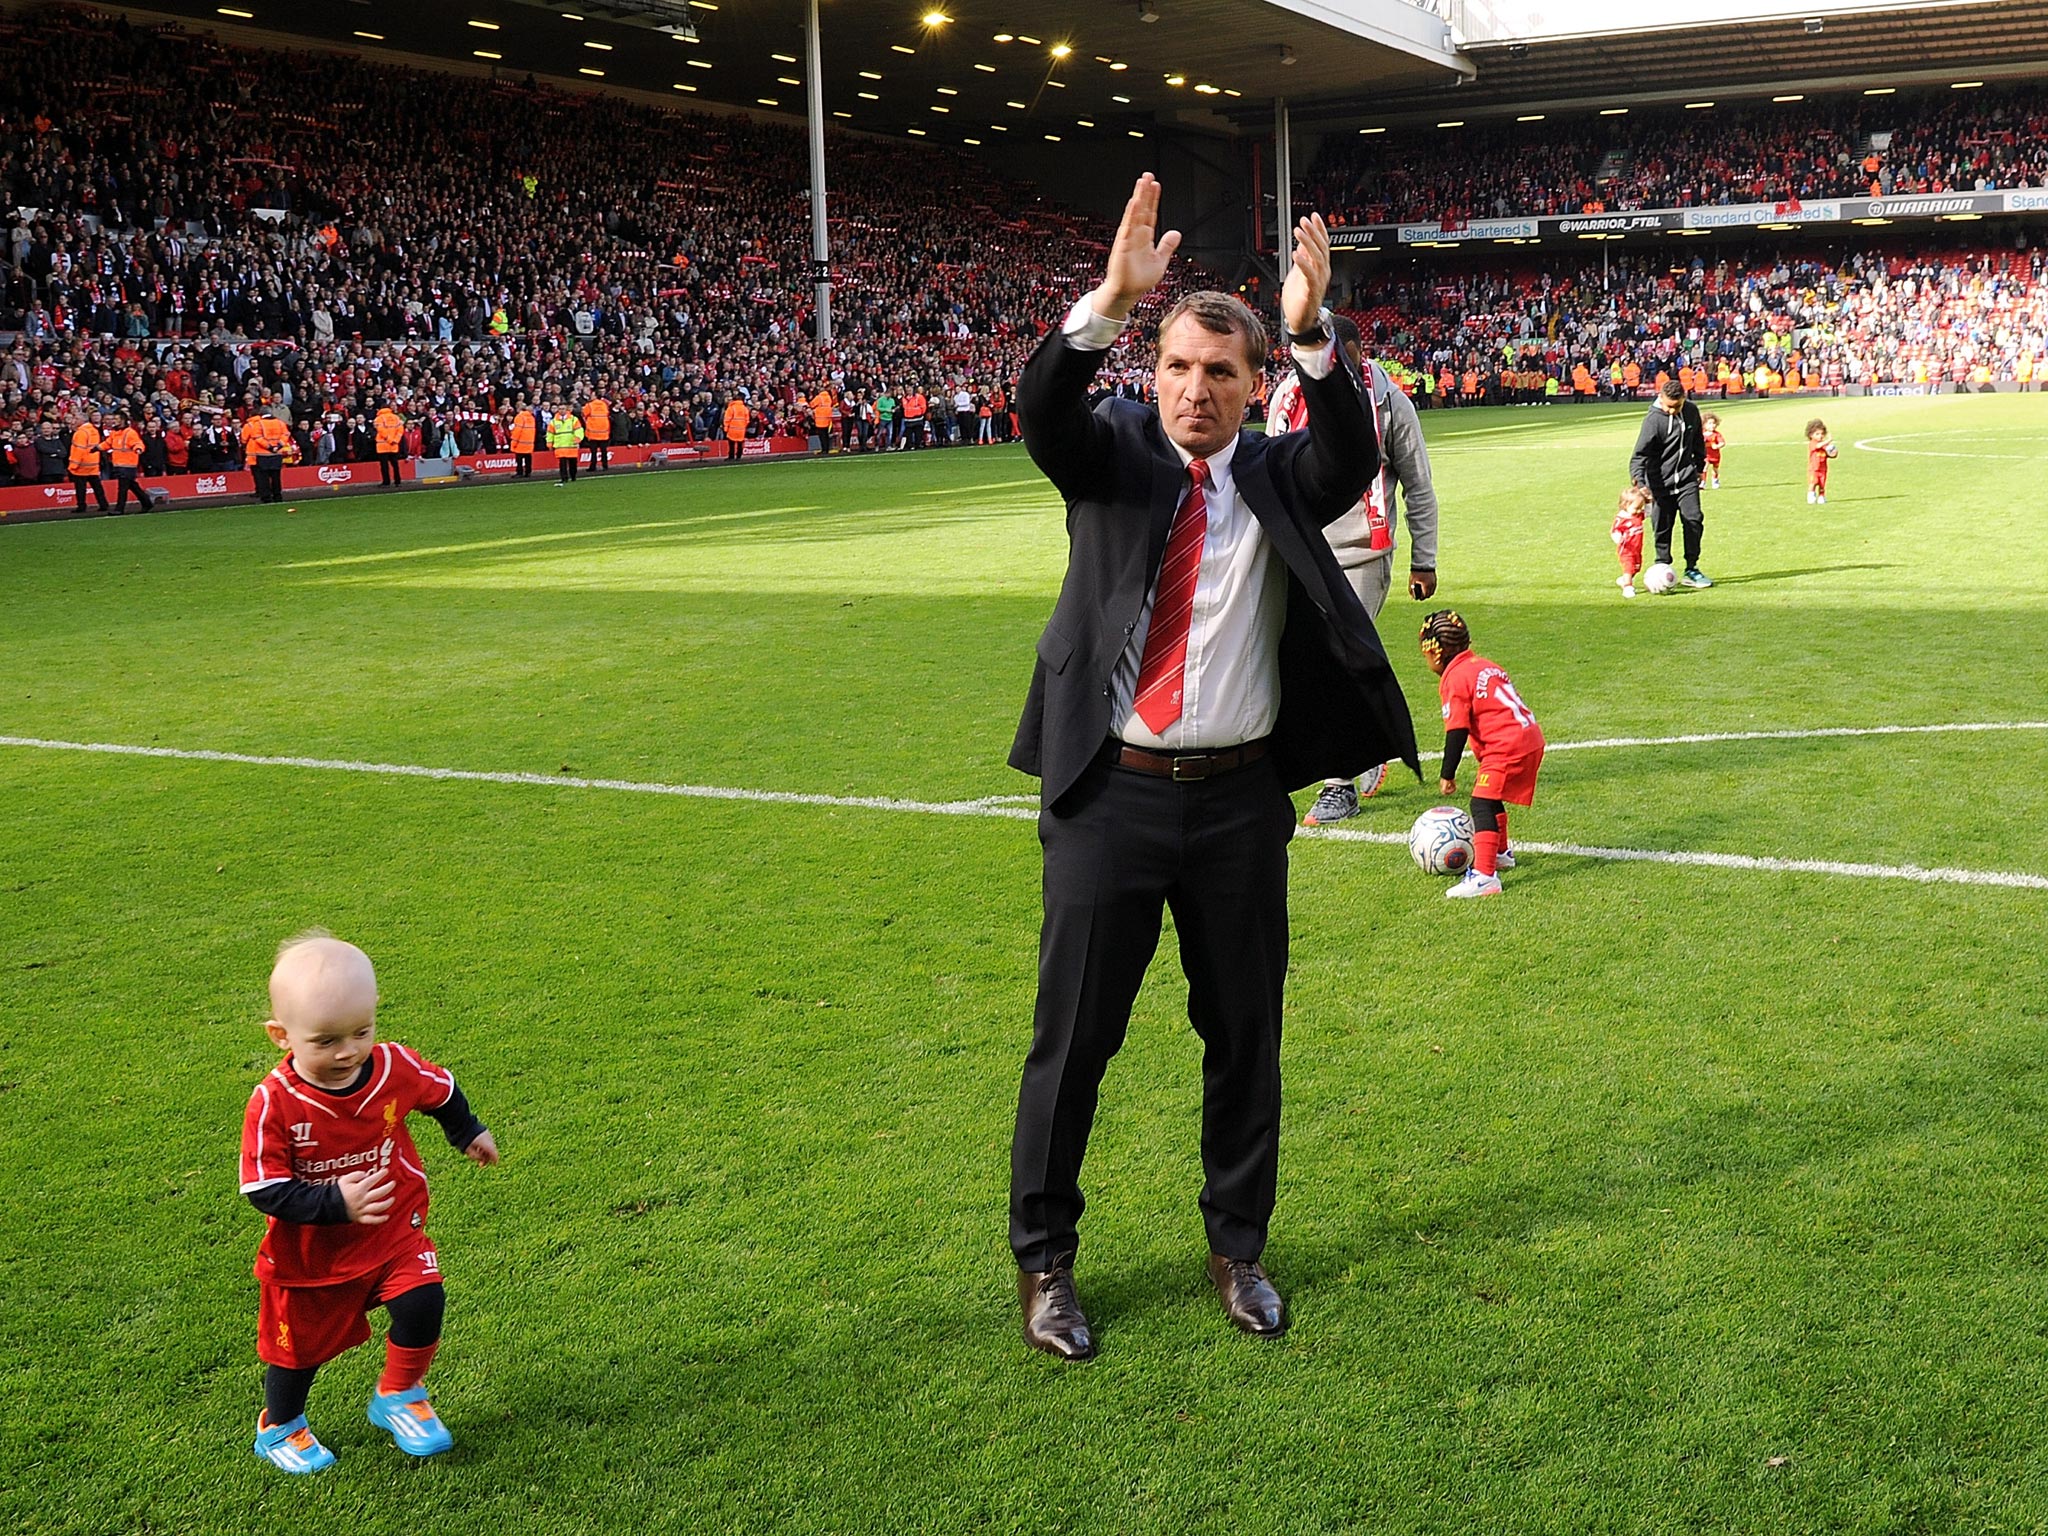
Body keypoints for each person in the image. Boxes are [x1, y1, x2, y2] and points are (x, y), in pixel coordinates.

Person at [1007, 173, 1417, 1362]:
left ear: (1253, 391)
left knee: (1244, 1034)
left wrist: (1306, 331)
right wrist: (1104, 304)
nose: (1195, 389)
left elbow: (1349, 444)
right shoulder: (1109, 454)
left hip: (1239, 803)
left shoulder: (1283, 472)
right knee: (1071, 1040)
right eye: (1179, 367)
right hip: (1109, 795)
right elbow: (1042, 413)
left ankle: (1237, 1248)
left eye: (1220, 374)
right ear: (1154, 373)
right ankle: (1044, 1266)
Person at [240, 932, 499, 1473]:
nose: (348, 1051)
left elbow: (442, 1090)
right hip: (311, 1260)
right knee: (296, 1355)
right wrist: (336, 1202)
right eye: (326, 1040)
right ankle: (280, 1425)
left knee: (423, 1300)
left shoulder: (391, 1066)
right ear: (280, 1035)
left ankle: (399, 1394)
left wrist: (466, 1131)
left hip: (391, 1233)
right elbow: (262, 1188)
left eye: (362, 1031)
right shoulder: (274, 1103)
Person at [1268, 312, 1442, 828]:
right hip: (1300, 549)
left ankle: (1338, 785)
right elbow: (1269, 472)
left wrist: (1424, 559)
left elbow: (1419, 485)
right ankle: (1364, 746)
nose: (1327, 366)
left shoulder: (1391, 405)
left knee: (1338, 658)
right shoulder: (1287, 397)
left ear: (1356, 353)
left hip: (1363, 550)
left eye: (1336, 356)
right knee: (1296, 658)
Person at [1422, 610, 1545, 900]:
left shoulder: (1454, 679)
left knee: (1481, 803)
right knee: (1491, 798)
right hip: (1529, 737)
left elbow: (1457, 731)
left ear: (1436, 653)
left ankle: (1485, 876)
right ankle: (1500, 853)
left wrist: (1447, 775)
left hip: (1506, 745)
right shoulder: (1484, 665)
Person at [1628, 378, 1710, 589]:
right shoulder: (1653, 420)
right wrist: (1641, 484)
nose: (1672, 411)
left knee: (1694, 519)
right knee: (1662, 526)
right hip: (1659, 483)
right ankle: (1662, 566)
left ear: (1684, 399)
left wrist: (1699, 467)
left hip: (1686, 479)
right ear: (1661, 399)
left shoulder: (1691, 411)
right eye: (1668, 406)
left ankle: (1692, 569)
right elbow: (1639, 455)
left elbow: (1698, 441)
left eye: (1677, 406)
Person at [103, 413, 160, 513]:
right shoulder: (115, 433)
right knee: (132, 486)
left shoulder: (130, 433)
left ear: (122, 420)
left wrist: (138, 449)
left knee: (123, 487)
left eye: (116, 418)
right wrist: (97, 448)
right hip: (120, 464)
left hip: (128, 465)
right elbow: (107, 443)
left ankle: (119, 509)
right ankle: (146, 503)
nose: (113, 421)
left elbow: (138, 443)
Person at [67, 407, 110, 514]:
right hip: (93, 464)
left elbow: (79, 451)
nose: (74, 421)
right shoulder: (94, 430)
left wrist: (73, 466)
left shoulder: (81, 433)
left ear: (81, 420)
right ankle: (103, 504)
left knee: (81, 488)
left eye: (76, 419)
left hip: (82, 465)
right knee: (97, 487)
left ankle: (81, 506)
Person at [1613, 485, 1649, 599]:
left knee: (1636, 567)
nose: (1639, 511)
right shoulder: (1622, 519)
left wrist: (1649, 501)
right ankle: (1628, 586)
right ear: (1625, 505)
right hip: (1626, 549)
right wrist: (1619, 539)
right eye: (1636, 508)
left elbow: (1649, 512)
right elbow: (1614, 531)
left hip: (1637, 548)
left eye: (1640, 508)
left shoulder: (1637, 516)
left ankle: (1624, 579)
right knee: (1628, 566)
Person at [547, 404, 584, 484]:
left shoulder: (573, 419)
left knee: (573, 463)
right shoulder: (553, 421)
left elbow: (579, 430)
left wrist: (577, 439)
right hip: (560, 446)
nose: (561, 410)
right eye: (560, 409)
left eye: (563, 409)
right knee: (562, 464)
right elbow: (550, 433)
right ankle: (564, 478)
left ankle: (573, 476)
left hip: (571, 444)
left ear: (567, 409)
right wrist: (549, 444)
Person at [1806, 419, 1837, 504]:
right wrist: (1828, 440)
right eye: (1817, 434)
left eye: (1822, 434)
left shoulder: (1825, 445)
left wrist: (1833, 453)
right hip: (1814, 469)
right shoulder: (1813, 443)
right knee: (1813, 482)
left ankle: (1821, 496)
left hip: (1823, 469)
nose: (1820, 436)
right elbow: (1818, 446)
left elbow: (1830, 454)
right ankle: (1811, 495)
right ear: (1811, 435)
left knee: (1822, 484)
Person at [374, 404, 406, 487]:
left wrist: (389, 439)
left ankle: (386, 482)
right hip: (394, 445)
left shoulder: (379, 418)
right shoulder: (396, 417)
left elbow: (381, 430)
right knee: (395, 465)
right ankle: (398, 481)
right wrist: (395, 440)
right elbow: (400, 430)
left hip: (382, 445)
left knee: (384, 465)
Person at [582, 394, 611, 473]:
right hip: (603, 432)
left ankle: (593, 466)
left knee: (593, 452)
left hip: (593, 433)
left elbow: (584, 414)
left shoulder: (589, 405)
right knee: (604, 451)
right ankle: (605, 466)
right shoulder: (604, 404)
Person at [510, 403, 537, 479]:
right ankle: (528, 472)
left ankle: (520, 472)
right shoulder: (531, 417)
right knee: (528, 457)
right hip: (529, 442)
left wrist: (514, 442)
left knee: (519, 459)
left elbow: (517, 431)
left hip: (520, 442)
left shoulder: (519, 417)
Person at [721, 394, 749, 462]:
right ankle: (739, 456)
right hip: (741, 430)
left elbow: (727, 419)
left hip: (732, 429)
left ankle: (731, 456)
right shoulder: (744, 408)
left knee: (731, 444)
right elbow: (747, 420)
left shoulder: (731, 408)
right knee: (740, 444)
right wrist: (743, 426)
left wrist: (725, 428)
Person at [1700, 411, 1724, 490]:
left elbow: (1722, 443)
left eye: (1714, 423)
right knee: (1704, 467)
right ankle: (1702, 482)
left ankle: (1715, 481)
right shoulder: (1702, 434)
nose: (1712, 425)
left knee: (1715, 469)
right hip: (1706, 455)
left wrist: (1717, 446)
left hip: (1715, 456)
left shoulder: (1716, 434)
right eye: (1709, 423)